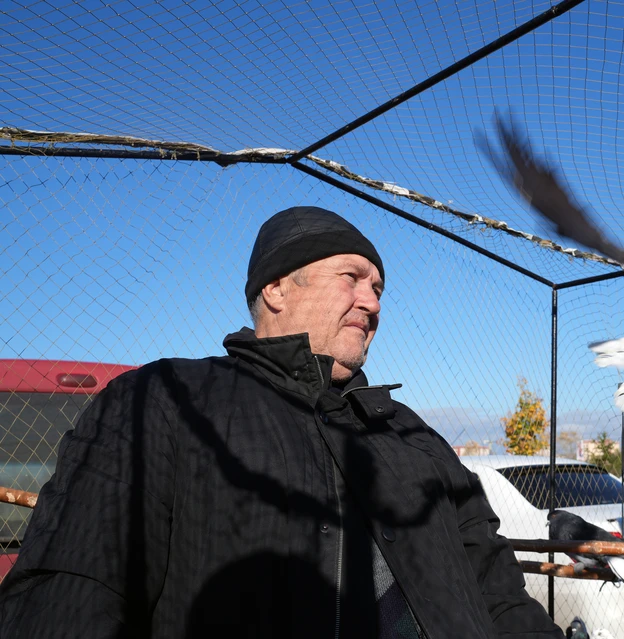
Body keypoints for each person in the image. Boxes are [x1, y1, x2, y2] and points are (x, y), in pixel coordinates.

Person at [0, 206, 562, 638]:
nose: (372, 302)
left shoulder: (412, 434)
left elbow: (497, 587)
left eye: (379, 288)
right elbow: (73, 585)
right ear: (276, 287)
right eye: (352, 277)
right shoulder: (165, 401)